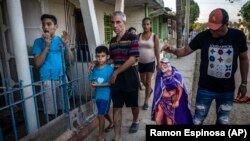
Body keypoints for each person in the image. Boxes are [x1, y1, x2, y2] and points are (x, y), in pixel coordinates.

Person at [162, 8, 249, 125]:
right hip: (205, 89)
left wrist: (244, 83)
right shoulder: (203, 36)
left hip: (227, 91)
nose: (212, 31)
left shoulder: (238, 36)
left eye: (216, 28)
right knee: (197, 120)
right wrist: (172, 50)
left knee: (222, 121)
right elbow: (184, 51)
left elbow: (244, 59)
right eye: (210, 27)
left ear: (226, 24)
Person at [32, 14, 74, 117]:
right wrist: (47, 46)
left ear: (56, 26)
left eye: (49, 24)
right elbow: (37, 64)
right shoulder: (38, 42)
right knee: (51, 112)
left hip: (61, 77)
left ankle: (65, 129)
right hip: (47, 79)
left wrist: (66, 45)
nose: (45, 27)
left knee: (64, 109)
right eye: (43, 25)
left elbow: (70, 60)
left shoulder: (61, 40)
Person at [109, 11, 140, 141]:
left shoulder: (133, 38)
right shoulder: (112, 41)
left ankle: (136, 120)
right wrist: (97, 62)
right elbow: (112, 59)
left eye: (118, 22)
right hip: (117, 79)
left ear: (124, 23)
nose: (115, 25)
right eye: (113, 22)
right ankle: (117, 137)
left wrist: (115, 72)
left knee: (133, 105)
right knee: (116, 107)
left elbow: (132, 59)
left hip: (130, 76)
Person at [151, 58, 193, 125]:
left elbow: (180, 89)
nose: (162, 67)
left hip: (171, 101)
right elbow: (158, 87)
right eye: (161, 65)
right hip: (161, 100)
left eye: (164, 65)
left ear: (168, 65)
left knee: (169, 122)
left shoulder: (176, 74)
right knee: (157, 119)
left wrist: (177, 101)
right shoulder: (160, 73)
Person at [88, 46, 114, 141]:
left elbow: (111, 83)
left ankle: (101, 136)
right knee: (103, 112)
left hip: (106, 95)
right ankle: (111, 123)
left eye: (102, 56)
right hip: (98, 95)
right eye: (98, 56)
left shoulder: (109, 69)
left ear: (107, 56)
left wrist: (98, 84)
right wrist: (93, 84)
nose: (100, 58)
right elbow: (92, 79)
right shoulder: (94, 68)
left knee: (100, 115)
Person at [138, 17, 160, 110]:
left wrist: (158, 62)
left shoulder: (154, 36)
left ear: (150, 25)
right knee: (142, 81)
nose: (146, 26)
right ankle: (150, 89)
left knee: (148, 81)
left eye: (148, 24)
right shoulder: (138, 35)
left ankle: (146, 101)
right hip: (140, 62)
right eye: (144, 24)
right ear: (142, 25)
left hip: (150, 62)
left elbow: (157, 50)